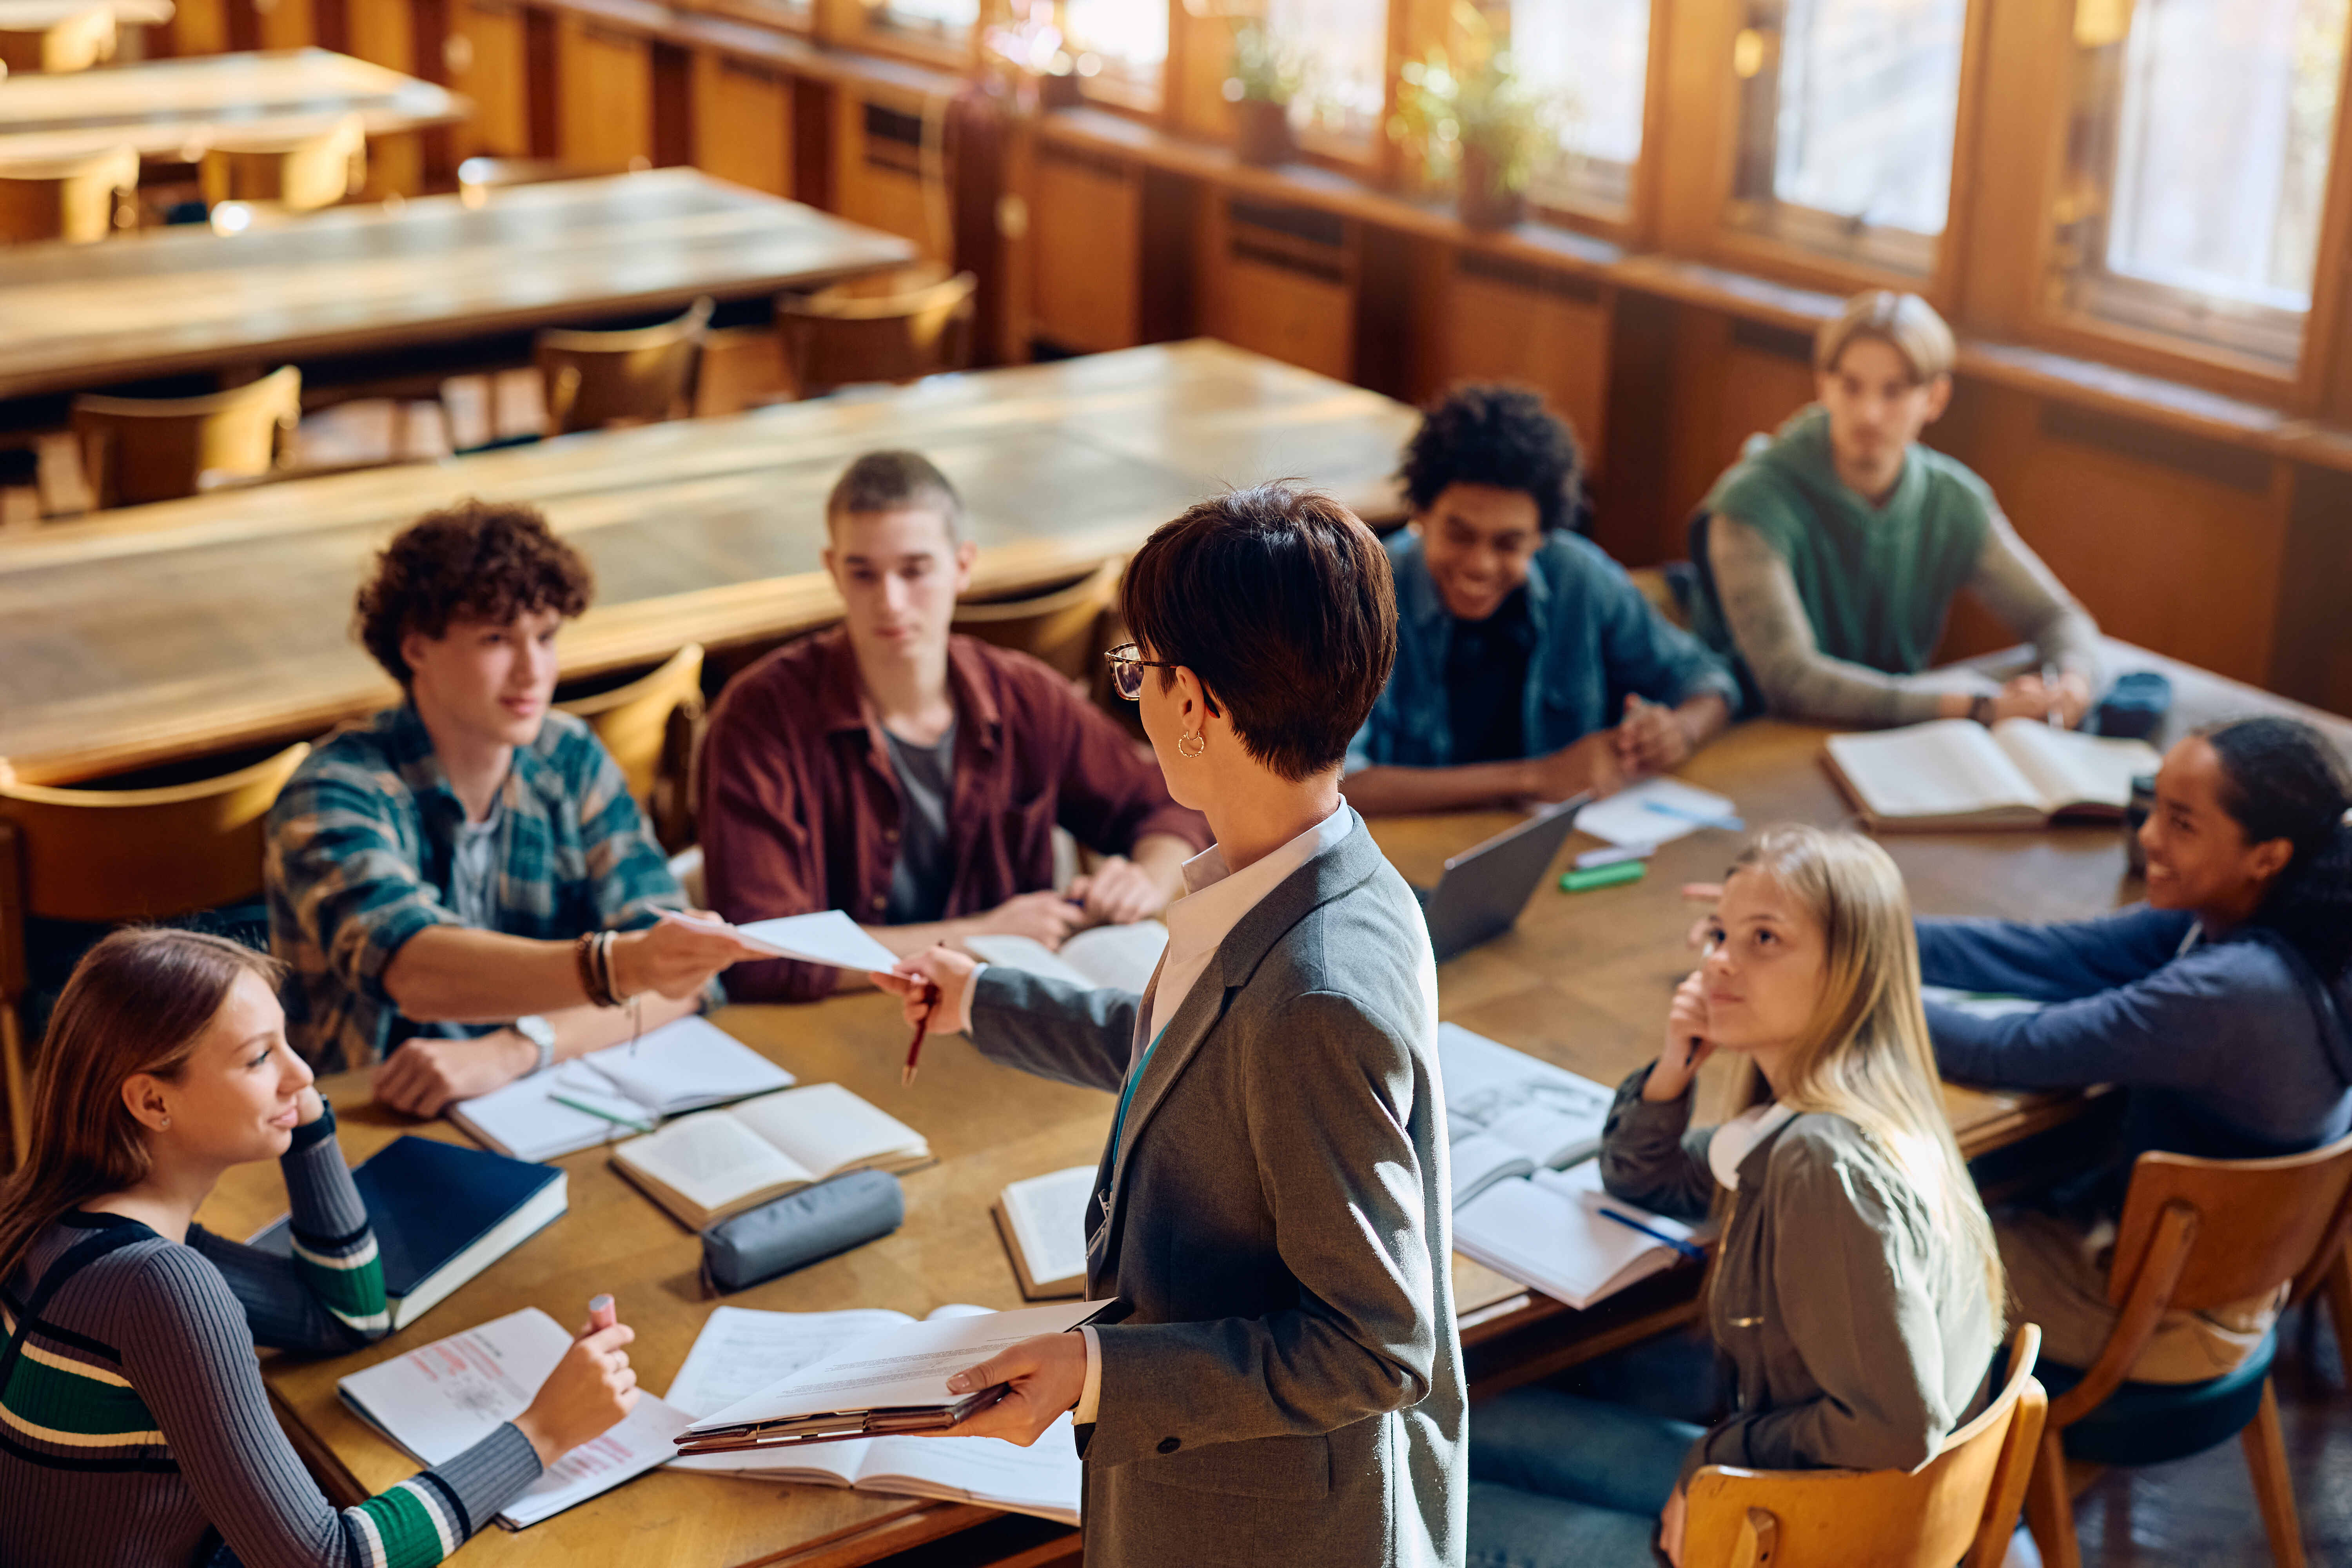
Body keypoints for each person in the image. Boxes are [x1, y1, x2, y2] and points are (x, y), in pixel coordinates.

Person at [871, 484, 1463, 1568]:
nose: (1131, 697)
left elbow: (1375, 1349)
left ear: (1195, 703)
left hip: (1272, 1528)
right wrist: (986, 998)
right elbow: (1198, 1059)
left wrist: (1099, 1375)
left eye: (1138, 670)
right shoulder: (1312, 877)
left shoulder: (1317, 993)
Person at [0, 928, 641, 1568]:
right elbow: (327, 1562)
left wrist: (304, 1123)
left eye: (289, 1043)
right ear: (151, 1100)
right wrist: (544, 1433)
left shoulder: (56, 1221)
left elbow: (348, 1316)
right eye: (259, 1059)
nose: (303, 1074)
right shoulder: (157, 1284)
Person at [1469, 827, 2004, 1567]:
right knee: (1467, 1423)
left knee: (1420, 1505)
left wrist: (1713, 1459)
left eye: (1763, 939)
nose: (1719, 958)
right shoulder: (1834, 1109)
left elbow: (1893, 1426)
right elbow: (1645, 1179)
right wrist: (1672, 1070)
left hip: (1822, 1534)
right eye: (1719, 932)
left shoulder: (1822, 1163)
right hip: (1819, 1496)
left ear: (1848, 971)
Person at [266, 501, 765, 1115]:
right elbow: (416, 971)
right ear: (417, 648)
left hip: (541, 1093)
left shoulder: (570, 756)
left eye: (547, 637)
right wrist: (626, 965)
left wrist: (519, 1047)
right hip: (371, 1114)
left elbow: (684, 984)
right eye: (497, 639)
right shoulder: (334, 790)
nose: (533, 671)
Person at [1920, 716, 2352, 1381]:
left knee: (1879, 1243)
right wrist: (1854, 924)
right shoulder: (2278, 923)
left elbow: (2010, 1052)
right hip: (2229, 1292)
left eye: (2182, 823)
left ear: (2267, 855)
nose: (2146, 835)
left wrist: (1836, 978)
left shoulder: (2231, 997)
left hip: (2154, 1319)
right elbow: (2055, 958)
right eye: (2155, 808)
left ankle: (1878, 1473)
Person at [699, 451, 1209, 1003]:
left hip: (993, 1016)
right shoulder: (759, 720)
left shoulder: (1023, 697)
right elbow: (761, 956)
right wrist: (979, 935)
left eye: (915, 570)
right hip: (840, 1022)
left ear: (963, 565)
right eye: (863, 573)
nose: (890, 602)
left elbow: (1170, 805)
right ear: (832, 570)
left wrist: (1144, 880)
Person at [1690, 291, 2104, 729]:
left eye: (1895, 392)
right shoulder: (1751, 502)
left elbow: (2057, 616)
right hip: (1757, 734)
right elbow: (1789, 679)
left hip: (1889, 737)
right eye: (1851, 386)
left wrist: (2073, 683)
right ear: (1823, 385)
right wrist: (1977, 707)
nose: (1869, 414)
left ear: (1936, 398)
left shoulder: (1953, 500)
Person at [1345, 384, 1738, 813]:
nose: (1480, 565)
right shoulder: (1362, 598)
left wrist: (1678, 731)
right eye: (1459, 535)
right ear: (1420, 513)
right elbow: (1338, 784)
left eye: (1509, 544)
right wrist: (1537, 776)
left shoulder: (1578, 577)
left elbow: (1706, 678)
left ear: (1542, 537)